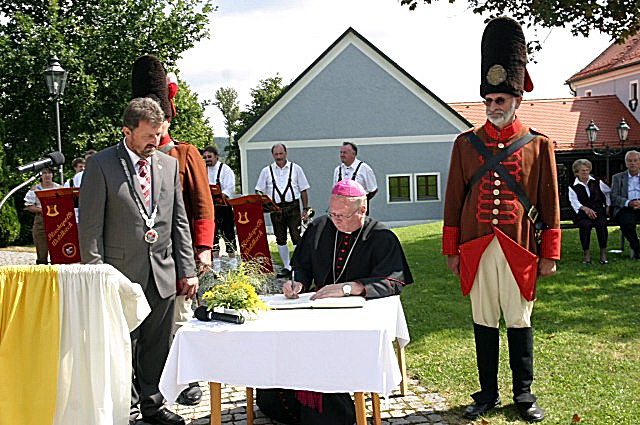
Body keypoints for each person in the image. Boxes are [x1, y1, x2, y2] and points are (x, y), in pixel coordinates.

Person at [442, 17, 560, 422]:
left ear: (516, 100)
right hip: (476, 246)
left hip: (520, 247)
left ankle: (523, 393)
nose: (494, 106)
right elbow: (454, 201)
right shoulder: (465, 144)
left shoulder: (539, 145)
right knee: (483, 320)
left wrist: (550, 253)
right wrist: (451, 250)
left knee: (519, 320)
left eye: (501, 100)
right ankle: (487, 393)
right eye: (489, 100)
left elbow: (549, 203)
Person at [78, 98, 197, 425]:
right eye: (147, 136)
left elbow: (179, 221)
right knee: (123, 347)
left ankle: (153, 406)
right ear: (127, 131)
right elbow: (90, 228)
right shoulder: (101, 165)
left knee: (157, 346)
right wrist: (97, 275)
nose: (155, 142)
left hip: (162, 273)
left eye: (158, 134)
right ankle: (126, 412)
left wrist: (187, 269)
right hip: (119, 276)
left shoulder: (168, 165)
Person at [256, 179, 413, 425]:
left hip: (359, 318)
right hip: (317, 310)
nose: (336, 220)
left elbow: (393, 281)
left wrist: (351, 288)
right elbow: (301, 265)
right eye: (332, 213)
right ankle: (295, 392)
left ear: (362, 210)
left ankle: (330, 400)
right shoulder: (319, 227)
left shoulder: (381, 236)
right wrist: (298, 282)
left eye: (343, 215)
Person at [130, 54, 215, 406]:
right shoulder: (128, 157)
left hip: (177, 254)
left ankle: (184, 378)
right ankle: (143, 385)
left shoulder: (185, 153)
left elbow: (202, 206)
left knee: (179, 319)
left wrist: (203, 248)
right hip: (138, 258)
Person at [255, 143, 310, 278]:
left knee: (296, 236)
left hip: (293, 207)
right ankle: (286, 266)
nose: (279, 157)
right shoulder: (266, 171)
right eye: (276, 154)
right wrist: (265, 203)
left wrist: (305, 209)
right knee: (280, 238)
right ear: (272, 155)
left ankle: (297, 266)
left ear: (286, 153)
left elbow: (303, 190)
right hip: (276, 209)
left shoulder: (296, 169)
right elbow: (259, 190)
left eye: (281, 154)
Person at [568, 158, 611, 264]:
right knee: (585, 226)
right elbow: (574, 202)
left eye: (587, 170)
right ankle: (586, 253)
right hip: (582, 213)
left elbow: (608, 193)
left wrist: (608, 205)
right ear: (577, 173)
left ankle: (603, 252)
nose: (585, 173)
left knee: (601, 224)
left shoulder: (597, 182)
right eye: (583, 171)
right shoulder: (572, 186)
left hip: (598, 211)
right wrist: (585, 209)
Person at [203, 145, 238, 271]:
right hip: (209, 209)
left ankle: (233, 267)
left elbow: (230, 187)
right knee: (213, 238)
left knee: (229, 237)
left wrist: (221, 195)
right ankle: (216, 269)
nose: (207, 159)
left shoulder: (225, 170)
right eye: (205, 157)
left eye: (210, 157)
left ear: (216, 156)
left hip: (224, 208)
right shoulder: (202, 170)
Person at [24, 166, 62, 264]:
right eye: (44, 173)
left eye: (49, 173)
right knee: (41, 251)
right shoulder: (35, 189)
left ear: (52, 175)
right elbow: (29, 206)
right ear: (41, 176)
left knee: (58, 251)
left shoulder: (60, 188)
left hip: (57, 220)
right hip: (41, 220)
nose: (47, 175)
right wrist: (43, 210)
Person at [332, 141, 377, 213]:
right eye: (341, 152)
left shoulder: (365, 169)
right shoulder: (338, 170)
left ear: (353, 154)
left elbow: (373, 190)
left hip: (359, 211)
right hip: (341, 211)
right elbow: (335, 190)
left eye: (345, 153)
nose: (342, 155)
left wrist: (361, 201)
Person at [611, 150, 640, 259]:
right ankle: (637, 248)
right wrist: (629, 203)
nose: (633, 163)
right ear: (626, 163)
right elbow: (614, 197)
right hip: (625, 207)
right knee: (627, 223)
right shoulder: (617, 177)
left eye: (635, 160)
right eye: (630, 161)